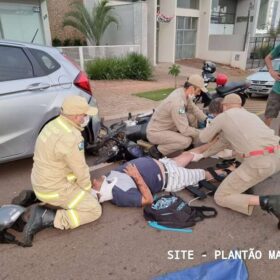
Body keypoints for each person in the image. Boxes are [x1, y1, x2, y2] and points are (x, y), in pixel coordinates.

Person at [22, 95, 102, 245]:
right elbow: (81, 170)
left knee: (66, 178)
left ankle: (36, 196)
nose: (86, 118)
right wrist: (88, 190)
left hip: (39, 181)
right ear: (77, 116)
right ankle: (46, 217)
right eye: (85, 115)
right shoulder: (71, 137)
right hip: (53, 189)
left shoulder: (52, 124)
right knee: (94, 210)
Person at [199, 93, 280, 227]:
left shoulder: (224, 116)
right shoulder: (251, 116)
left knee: (221, 197)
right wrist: (203, 154)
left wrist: (210, 127)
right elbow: (223, 142)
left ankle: (271, 202)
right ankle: (247, 185)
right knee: (240, 154)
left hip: (259, 164)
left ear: (224, 106)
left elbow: (203, 138)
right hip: (276, 157)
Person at [91, 153, 231, 207]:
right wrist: (137, 176)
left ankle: (217, 146)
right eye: (92, 185)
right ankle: (231, 172)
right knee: (203, 174)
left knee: (188, 154)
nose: (92, 181)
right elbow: (148, 200)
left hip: (164, 163)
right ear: (99, 193)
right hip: (171, 178)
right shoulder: (119, 195)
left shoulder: (107, 177)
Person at [146, 74, 208, 159]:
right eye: (199, 90)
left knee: (191, 117)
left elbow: (194, 109)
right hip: (156, 133)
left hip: (167, 128)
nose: (199, 93)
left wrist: (206, 120)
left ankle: (179, 143)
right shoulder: (177, 103)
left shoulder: (183, 93)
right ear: (191, 88)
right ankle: (156, 151)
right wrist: (203, 133)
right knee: (186, 141)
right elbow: (184, 129)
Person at [264, 46, 280, 128]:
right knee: (268, 116)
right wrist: (271, 71)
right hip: (277, 90)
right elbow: (268, 58)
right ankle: (265, 139)